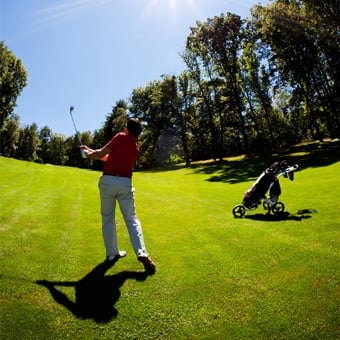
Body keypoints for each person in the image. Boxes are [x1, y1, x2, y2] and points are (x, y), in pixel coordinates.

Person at [80, 118, 155, 274]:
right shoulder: (135, 147)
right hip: (125, 184)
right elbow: (109, 157)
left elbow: (100, 154)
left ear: (127, 128)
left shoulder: (120, 136)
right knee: (132, 219)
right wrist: (89, 150)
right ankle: (142, 252)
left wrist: (87, 154)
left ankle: (111, 254)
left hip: (108, 182)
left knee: (108, 218)